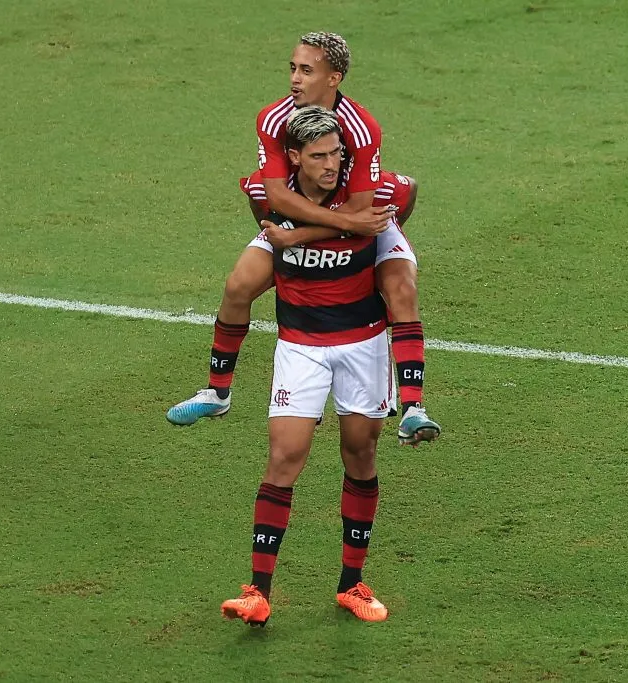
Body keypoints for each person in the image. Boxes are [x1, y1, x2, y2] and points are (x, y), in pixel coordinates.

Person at [166, 31, 440, 446]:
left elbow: (360, 213)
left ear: (335, 77)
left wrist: (296, 237)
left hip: (352, 217)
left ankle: (414, 408)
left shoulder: (361, 128)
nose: (295, 79)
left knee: (401, 286)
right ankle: (217, 393)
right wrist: (281, 235)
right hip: (298, 219)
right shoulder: (274, 119)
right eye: (293, 68)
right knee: (238, 285)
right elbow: (274, 194)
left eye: (307, 70)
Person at [220, 106, 391, 626]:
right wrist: (306, 233)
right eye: (319, 156)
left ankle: (352, 584)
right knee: (285, 456)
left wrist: (301, 235)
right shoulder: (266, 199)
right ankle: (257, 591)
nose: (333, 164)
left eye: (338, 153)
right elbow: (273, 235)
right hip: (300, 347)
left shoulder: (375, 198)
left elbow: (386, 216)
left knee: (359, 453)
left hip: (364, 344)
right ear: (292, 158)